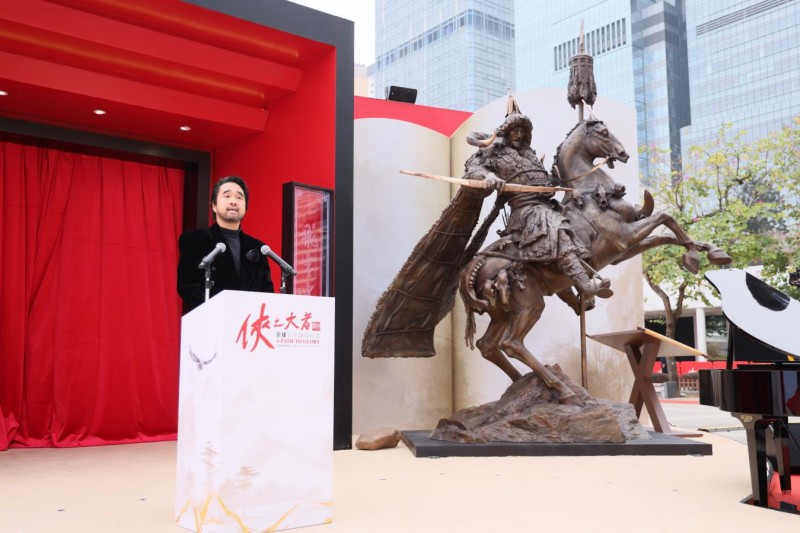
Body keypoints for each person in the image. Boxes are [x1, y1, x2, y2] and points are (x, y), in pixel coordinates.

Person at [465, 109, 611, 303]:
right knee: (556, 227)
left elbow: (545, 182)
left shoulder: (530, 155)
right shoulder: (494, 152)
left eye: (522, 131)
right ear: (506, 132)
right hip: (526, 210)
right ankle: (586, 286)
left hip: (546, 205)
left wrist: (560, 185)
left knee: (575, 225)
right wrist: (489, 176)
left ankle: (575, 291)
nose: (518, 134)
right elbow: (473, 170)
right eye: (514, 130)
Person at [177, 175, 274, 313]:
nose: (233, 201)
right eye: (227, 196)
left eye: (239, 197)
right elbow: (187, 286)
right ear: (214, 206)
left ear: (245, 207)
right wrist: (216, 312)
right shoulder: (194, 239)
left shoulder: (258, 247)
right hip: (210, 319)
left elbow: (266, 292)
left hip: (248, 322)